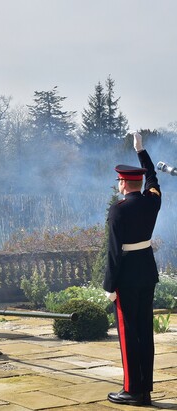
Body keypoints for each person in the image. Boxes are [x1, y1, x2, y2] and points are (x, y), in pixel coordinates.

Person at [104, 131, 161, 407]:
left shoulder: (119, 210)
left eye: (119, 181)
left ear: (124, 183)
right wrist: (141, 151)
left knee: (128, 334)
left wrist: (109, 286)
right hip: (147, 273)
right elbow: (153, 177)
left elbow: (114, 252)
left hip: (126, 278)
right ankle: (145, 389)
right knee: (145, 332)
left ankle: (131, 390)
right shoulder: (153, 200)